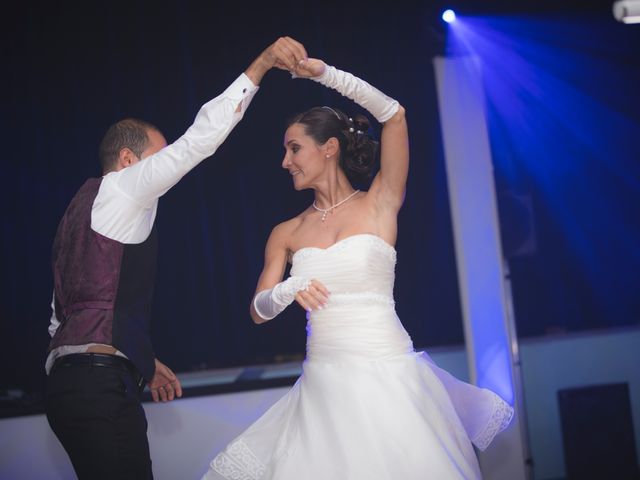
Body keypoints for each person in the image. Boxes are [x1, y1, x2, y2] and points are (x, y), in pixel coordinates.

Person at [202, 54, 514, 480]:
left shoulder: (380, 202)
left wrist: (327, 76)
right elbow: (258, 311)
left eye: (294, 148)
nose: (285, 161)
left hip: (391, 374)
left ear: (329, 148)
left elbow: (395, 115)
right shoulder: (286, 232)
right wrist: (287, 291)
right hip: (324, 391)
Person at [44, 37, 309, 480]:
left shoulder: (79, 210)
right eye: (157, 157)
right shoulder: (125, 186)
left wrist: (139, 359)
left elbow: (67, 317)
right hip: (98, 385)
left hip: (67, 386)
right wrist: (261, 66)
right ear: (128, 159)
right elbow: (198, 142)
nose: (165, 167)